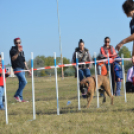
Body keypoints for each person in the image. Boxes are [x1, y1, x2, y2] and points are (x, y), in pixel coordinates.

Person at [9, 37, 31, 102]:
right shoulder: (12, 50)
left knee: (21, 83)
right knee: (24, 82)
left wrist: (28, 70)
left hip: (22, 69)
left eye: (19, 42)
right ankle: (16, 95)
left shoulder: (22, 51)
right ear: (14, 43)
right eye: (17, 42)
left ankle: (20, 98)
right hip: (17, 69)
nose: (18, 43)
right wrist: (18, 52)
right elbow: (13, 58)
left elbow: (24, 61)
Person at [115, 0, 134, 64]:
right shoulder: (131, 23)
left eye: (124, 10)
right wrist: (133, 55)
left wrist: (122, 42)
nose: (124, 12)